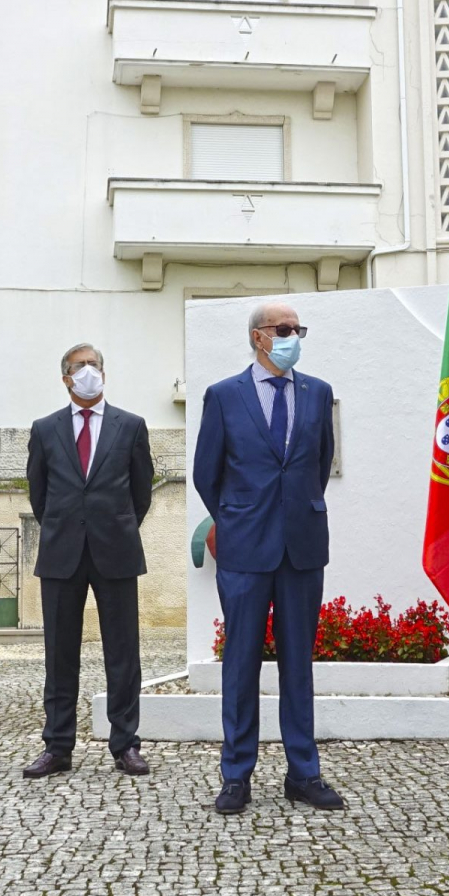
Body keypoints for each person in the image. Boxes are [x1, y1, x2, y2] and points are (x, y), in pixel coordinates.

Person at [191, 301, 343, 815]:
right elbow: (206, 473)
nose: (293, 336)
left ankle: (304, 773)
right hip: (244, 549)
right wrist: (237, 519)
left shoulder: (317, 392)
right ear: (258, 337)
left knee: (298, 664)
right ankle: (236, 775)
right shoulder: (223, 395)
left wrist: (294, 511)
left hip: (302, 547)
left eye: (298, 329)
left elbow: (319, 463)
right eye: (284, 329)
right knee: (240, 664)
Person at [23, 343, 155, 780]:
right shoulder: (45, 429)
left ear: (104, 373)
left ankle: (126, 744)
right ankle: (57, 746)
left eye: (94, 364)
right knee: (59, 653)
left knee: (123, 652)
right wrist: (66, 525)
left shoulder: (130, 425)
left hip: (116, 550)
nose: (87, 371)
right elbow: (39, 493)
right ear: (65, 378)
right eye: (79, 366)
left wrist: (115, 525)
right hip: (61, 553)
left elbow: (141, 492)